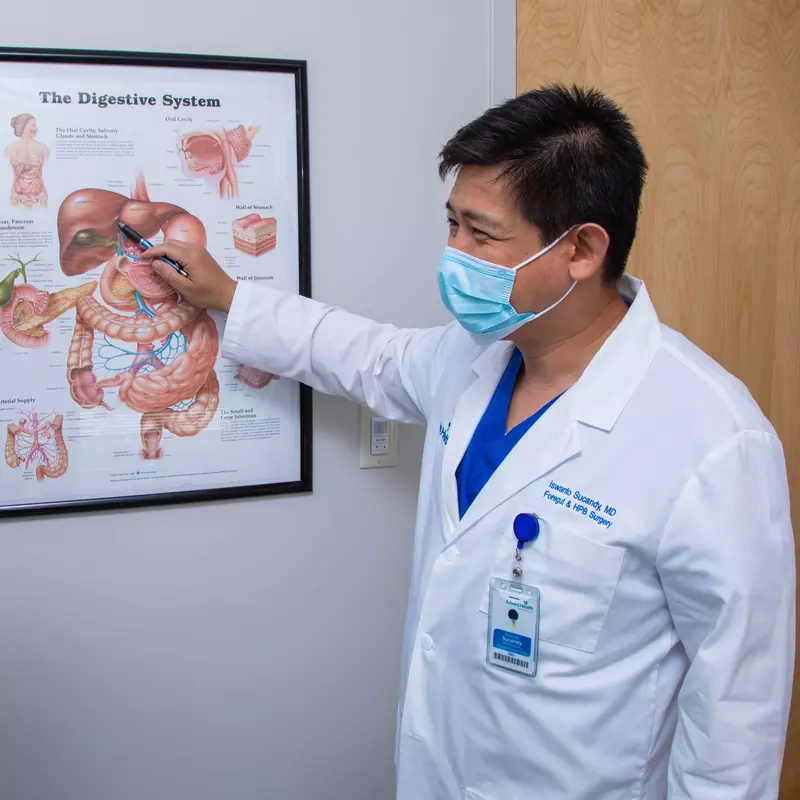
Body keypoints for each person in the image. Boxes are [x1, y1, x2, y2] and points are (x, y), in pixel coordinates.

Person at [141, 84, 795, 800]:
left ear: (580, 248)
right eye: (452, 225)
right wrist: (230, 297)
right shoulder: (472, 356)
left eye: (481, 236)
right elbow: (367, 355)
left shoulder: (710, 438)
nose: (453, 255)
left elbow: (736, 713)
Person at [5, 113, 49, 208]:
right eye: (33, 125)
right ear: (23, 125)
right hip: (18, 199)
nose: (36, 129)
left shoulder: (43, 148)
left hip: (38, 199)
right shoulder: (10, 149)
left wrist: (43, 192)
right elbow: (13, 176)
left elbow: (41, 175)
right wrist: (13, 193)